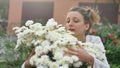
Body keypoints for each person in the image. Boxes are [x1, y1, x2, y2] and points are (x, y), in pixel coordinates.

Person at [22, 6, 110, 68]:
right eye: (67, 21)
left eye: (76, 21)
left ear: (86, 26)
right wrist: (27, 65)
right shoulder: (57, 41)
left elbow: (106, 66)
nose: (70, 24)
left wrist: (89, 59)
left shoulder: (94, 41)